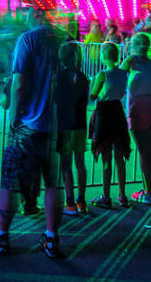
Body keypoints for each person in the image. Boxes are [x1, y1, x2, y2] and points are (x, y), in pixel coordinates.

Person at [0, 0, 67, 258]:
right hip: (57, 125)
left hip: (29, 125)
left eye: (27, 9)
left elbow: (19, 84)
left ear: (37, 12)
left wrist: (14, 120)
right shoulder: (65, 39)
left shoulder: (29, 39)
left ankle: (0, 235)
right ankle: (51, 239)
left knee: (10, 181)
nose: (23, 13)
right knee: (52, 183)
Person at [121, 32, 151, 205]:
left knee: (144, 152)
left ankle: (148, 193)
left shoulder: (131, 60)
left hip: (138, 108)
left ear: (134, 45)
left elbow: (117, 75)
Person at [88, 42, 130, 209]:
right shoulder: (123, 73)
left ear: (104, 56)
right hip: (118, 112)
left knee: (106, 157)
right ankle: (122, 194)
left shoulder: (102, 74)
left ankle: (106, 196)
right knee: (120, 157)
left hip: (104, 114)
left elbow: (93, 96)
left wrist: (92, 83)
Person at [56, 42, 90, 215]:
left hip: (64, 125)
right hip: (80, 125)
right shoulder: (83, 77)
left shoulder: (59, 77)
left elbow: (56, 100)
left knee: (66, 164)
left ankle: (69, 201)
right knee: (80, 162)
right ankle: (81, 200)